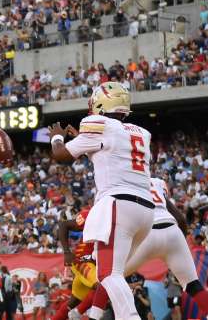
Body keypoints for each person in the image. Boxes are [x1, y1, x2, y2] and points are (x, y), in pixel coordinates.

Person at [49, 82, 155, 320]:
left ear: (100, 103)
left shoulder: (100, 125)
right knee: (114, 274)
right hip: (146, 210)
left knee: (107, 274)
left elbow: (61, 156)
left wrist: (57, 138)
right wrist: (83, 140)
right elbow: (108, 154)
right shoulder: (141, 133)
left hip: (119, 205)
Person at [83, 177, 208, 320]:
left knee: (111, 276)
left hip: (147, 233)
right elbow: (177, 215)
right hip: (172, 231)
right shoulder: (157, 182)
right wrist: (181, 238)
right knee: (193, 284)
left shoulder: (121, 181)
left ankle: (93, 317)